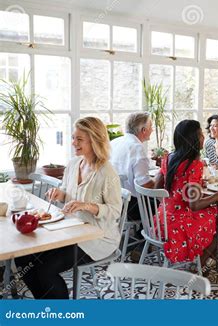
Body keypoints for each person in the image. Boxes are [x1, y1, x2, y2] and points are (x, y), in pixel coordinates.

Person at [15, 117, 122, 299]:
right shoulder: (74, 164)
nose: (73, 143)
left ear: (94, 140)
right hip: (70, 229)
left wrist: (88, 206)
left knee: (45, 270)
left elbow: (114, 212)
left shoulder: (107, 172)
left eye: (79, 139)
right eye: (74, 138)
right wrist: (60, 193)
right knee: (23, 258)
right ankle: (46, 305)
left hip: (96, 237)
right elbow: (66, 190)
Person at [154, 120, 218, 265]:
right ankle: (204, 260)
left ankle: (211, 254)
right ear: (193, 139)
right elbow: (194, 205)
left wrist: (174, 198)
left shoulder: (168, 158)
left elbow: (156, 188)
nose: (204, 137)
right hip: (179, 224)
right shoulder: (194, 164)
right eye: (201, 135)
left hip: (162, 218)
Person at [110, 112, 158, 221]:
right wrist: (159, 178)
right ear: (143, 130)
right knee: (167, 204)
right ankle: (152, 234)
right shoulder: (137, 148)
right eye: (151, 127)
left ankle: (139, 233)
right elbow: (145, 184)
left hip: (113, 200)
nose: (152, 130)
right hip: (130, 205)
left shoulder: (114, 142)